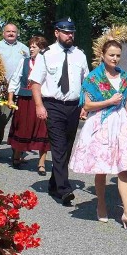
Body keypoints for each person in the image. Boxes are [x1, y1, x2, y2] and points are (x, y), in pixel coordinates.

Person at [69, 39, 127, 228]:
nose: (115, 59)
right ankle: (101, 204)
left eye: (118, 55)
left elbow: (126, 103)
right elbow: (87, 105)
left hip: (121, 124)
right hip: (101, 123)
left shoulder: (124, 77)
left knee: (123, 167)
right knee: (102, 168)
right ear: (103, 55)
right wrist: (109, 101)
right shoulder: (93, 78)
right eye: (111, 55)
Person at [30, 17, 89, 206]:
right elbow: (36, 83)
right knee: (59, 145)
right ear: (57, 33)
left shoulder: (80, 54)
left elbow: (87, 83)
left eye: (72, 32)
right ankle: (64, 189)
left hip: (73, 106)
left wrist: (85, 106)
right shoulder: (46, 54)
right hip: (53, 105)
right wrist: (39, 106)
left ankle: (54, 183)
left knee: (68, 146)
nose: (70, 35)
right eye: (66, 32)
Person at [7, 36, 50, 174]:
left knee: (43, 130)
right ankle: (17, 156)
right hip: (25, 99)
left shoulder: (48, 63)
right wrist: (10, 98)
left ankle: (41, 163)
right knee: (22, 127)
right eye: (30, 46)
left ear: (42, 49)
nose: (31, 49)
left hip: (42, 100)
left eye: (34, 47)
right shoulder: (24, 62)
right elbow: (15, 79)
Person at [0, 23, 30, 158]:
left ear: (17, 33)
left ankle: (17, 151)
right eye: (8, 31)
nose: (11, 33)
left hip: (20, 91)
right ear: (3, 33)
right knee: (1, 121)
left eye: (14, 31)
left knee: (19, 123)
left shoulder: (24, 49)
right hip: (2, 90)